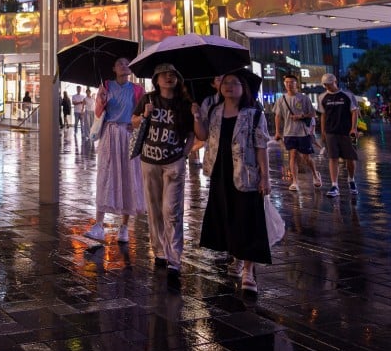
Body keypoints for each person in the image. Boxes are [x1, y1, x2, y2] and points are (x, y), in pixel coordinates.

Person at [132, 64, 206, 284]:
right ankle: (159, 251)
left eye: (173, 74)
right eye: (164, 74)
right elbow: (133, 122)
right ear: (156, 79)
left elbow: (195, 134)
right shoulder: (148, 99)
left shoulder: (185, 103)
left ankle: (175, 258)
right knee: (154, 208)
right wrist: (144, 115)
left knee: (171, 210)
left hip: (173, 162)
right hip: (149, 161)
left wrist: (184, 153)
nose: (168, 77)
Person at [199, 69, 271, 295]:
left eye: (235, 83)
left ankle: (249, 269)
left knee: (247, 220)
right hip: (220, 172)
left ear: (244, 88)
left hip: (246, 174)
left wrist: (265, 176)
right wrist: (194, 115)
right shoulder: (214, 110)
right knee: (228, 218)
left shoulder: (254, 113)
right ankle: (237, 257)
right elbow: (202, 136)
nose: (229, 86)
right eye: (226, 82)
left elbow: (261, 146)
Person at [85, 57, 146, 243]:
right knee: (105, 176)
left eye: (127, 63)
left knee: (129, 177)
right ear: (113, 68)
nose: (124, 66)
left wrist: (136, 124)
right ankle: (99, 225)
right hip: (110, 134)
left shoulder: (138, 90)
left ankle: (125, 227)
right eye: (120, 63)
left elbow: (142, 114)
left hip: (129, 135)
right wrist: (101, 101)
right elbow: (97, 113)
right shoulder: (106, 86)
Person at [273, 74, 322, 191]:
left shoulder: (304, 98)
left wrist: (301, 116)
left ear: (296, 84)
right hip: (288, 132)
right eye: (286, 82)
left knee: (306, 157)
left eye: (291, 82)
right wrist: (277, 131)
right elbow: (278, 116)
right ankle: (295, 181)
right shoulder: (281, 99)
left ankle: (315, 175)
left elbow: (313, 114)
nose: (289, 84)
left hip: (303, 132)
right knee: (293, 155)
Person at [317, 74, 360, 197]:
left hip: (346, 131)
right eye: (325, 84)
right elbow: (323, 115)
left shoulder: (347, 95)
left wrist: (353, 128)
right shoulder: (322, 97)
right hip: (331, 131)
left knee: (350, 158)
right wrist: (323, 131)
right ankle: (334, 185)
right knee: (333, 158)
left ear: (335, 81)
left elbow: (354, 112)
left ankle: (351, 180)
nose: (327, 86)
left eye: (329, 83)